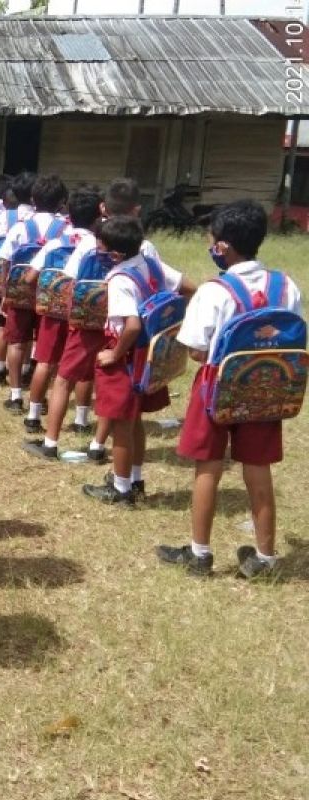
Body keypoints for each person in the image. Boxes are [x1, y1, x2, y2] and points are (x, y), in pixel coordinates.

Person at [157, 201, 302, 578]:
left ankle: (200, 553)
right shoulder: (286, 285)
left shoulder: (214, 291)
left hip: (216, 388)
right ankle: (266, 557)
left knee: (208, 467)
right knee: (258, 468)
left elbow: (195, 348)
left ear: (222, 247)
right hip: (267, 388)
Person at [81, 216, 195, 506]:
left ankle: (120, 490)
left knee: (121, 425)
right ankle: (135, 478)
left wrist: (114, 354)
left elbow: (130, 325)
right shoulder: (152, 264)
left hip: (128, 359)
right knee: (134, 422)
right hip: (151, 357)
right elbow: (190, 288)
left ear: (115, 254)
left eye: (101, 247)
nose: (98, 252)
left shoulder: (120, 279)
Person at [23, 184, 103, 459]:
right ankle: (81, 418)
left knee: (46, 363)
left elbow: (30, 277)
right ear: (98, 216)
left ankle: (33, 415)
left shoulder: (57, 243)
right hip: (89, 318)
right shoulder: (100, 246)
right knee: (85, 369)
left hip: (55, 314)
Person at [0, 173, 69, 415]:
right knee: (48, 349)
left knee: (17, 342)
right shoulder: (66, 229)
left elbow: (4, 261)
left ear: (34, 199)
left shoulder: (20, 227)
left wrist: (6, 292)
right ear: (61, 202)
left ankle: (15, 394)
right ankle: (43, 395)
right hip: (53, 297)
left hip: (21, 293)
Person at [0, 173, 36, 387]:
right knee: (27, 330)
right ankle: (24, 370)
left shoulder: (5, 217)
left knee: (0, 325)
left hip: (6, 279)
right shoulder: (45, 221)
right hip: (34, 283)